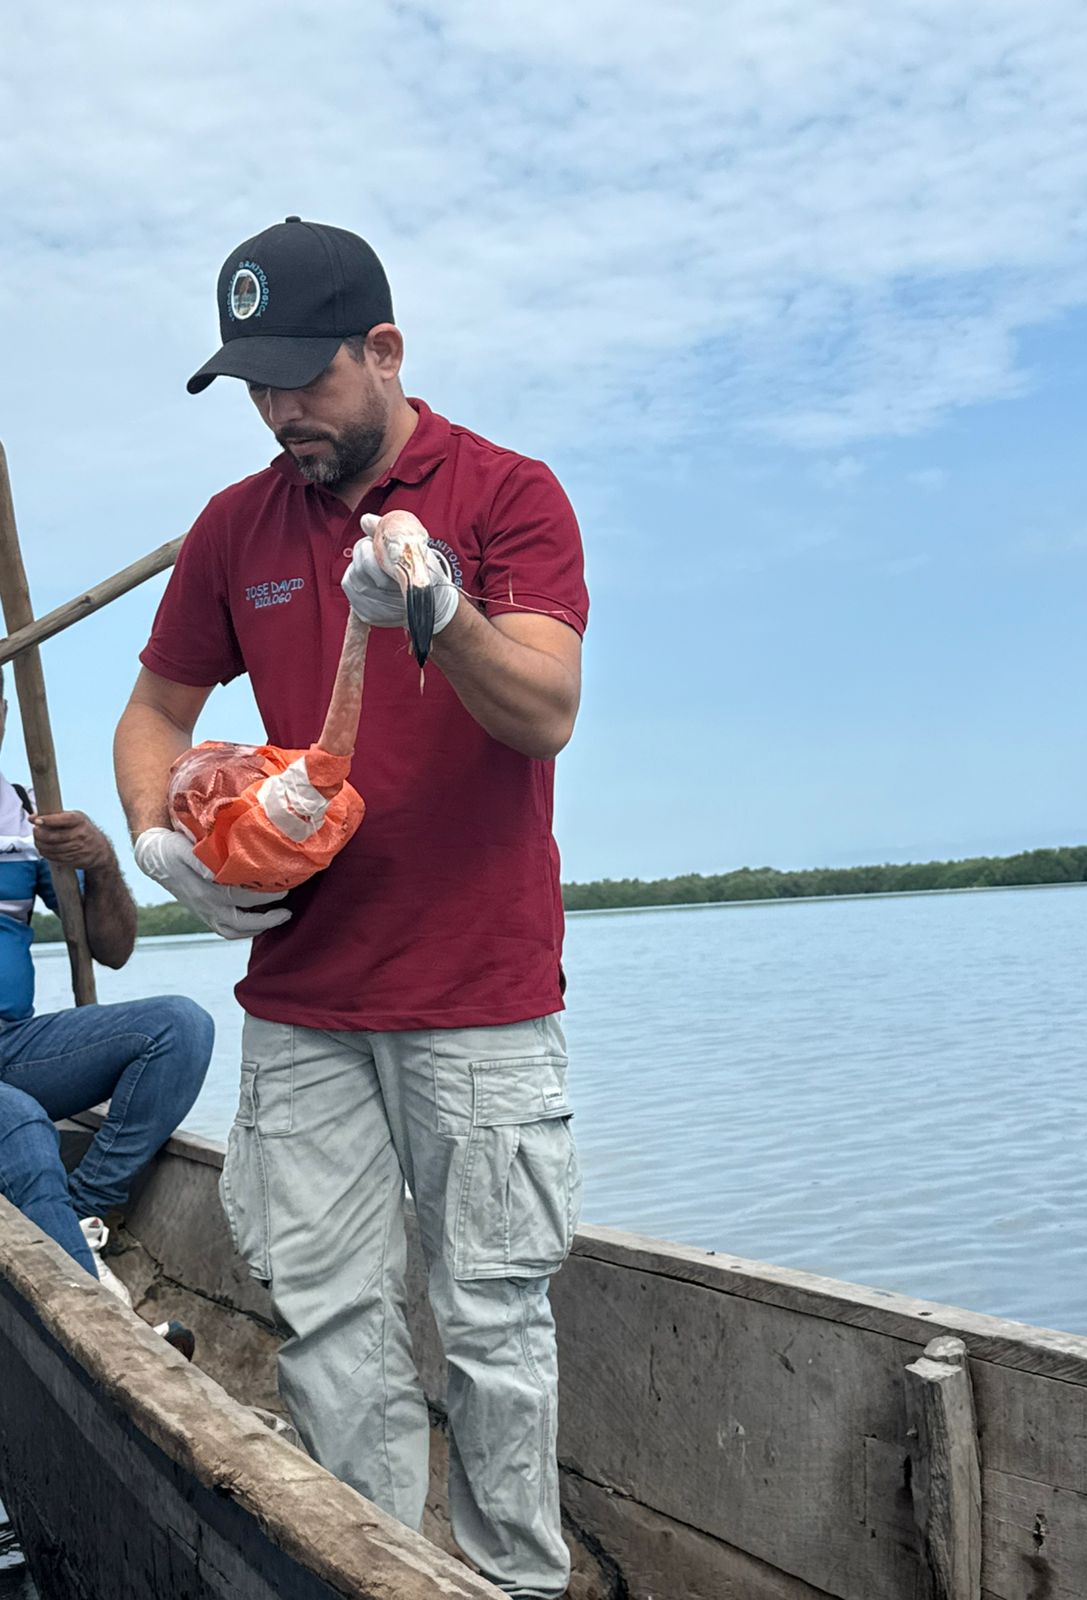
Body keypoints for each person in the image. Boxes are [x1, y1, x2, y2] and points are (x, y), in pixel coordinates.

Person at [114, 216, 587, 1600]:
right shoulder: (236, 528)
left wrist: (437, 602)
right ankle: (373, 1576)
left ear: (383, 351)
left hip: (481, 998)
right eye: (254, 392)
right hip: (303, 1000)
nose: (280, 417)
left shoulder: (509, 495)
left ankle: (513, 1588)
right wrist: (161, 844)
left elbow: (545, 711)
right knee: (327, 1323)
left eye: (303, 384)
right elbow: (157, 708)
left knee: (494, 1325)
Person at [0, 667, 214, 1305]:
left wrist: (98, 861)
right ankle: (96, 1304)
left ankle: (78, 1211)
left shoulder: (20, 807)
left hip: (14, 1046)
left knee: (181, 1027)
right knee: (20, 1121)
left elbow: (114, 950)